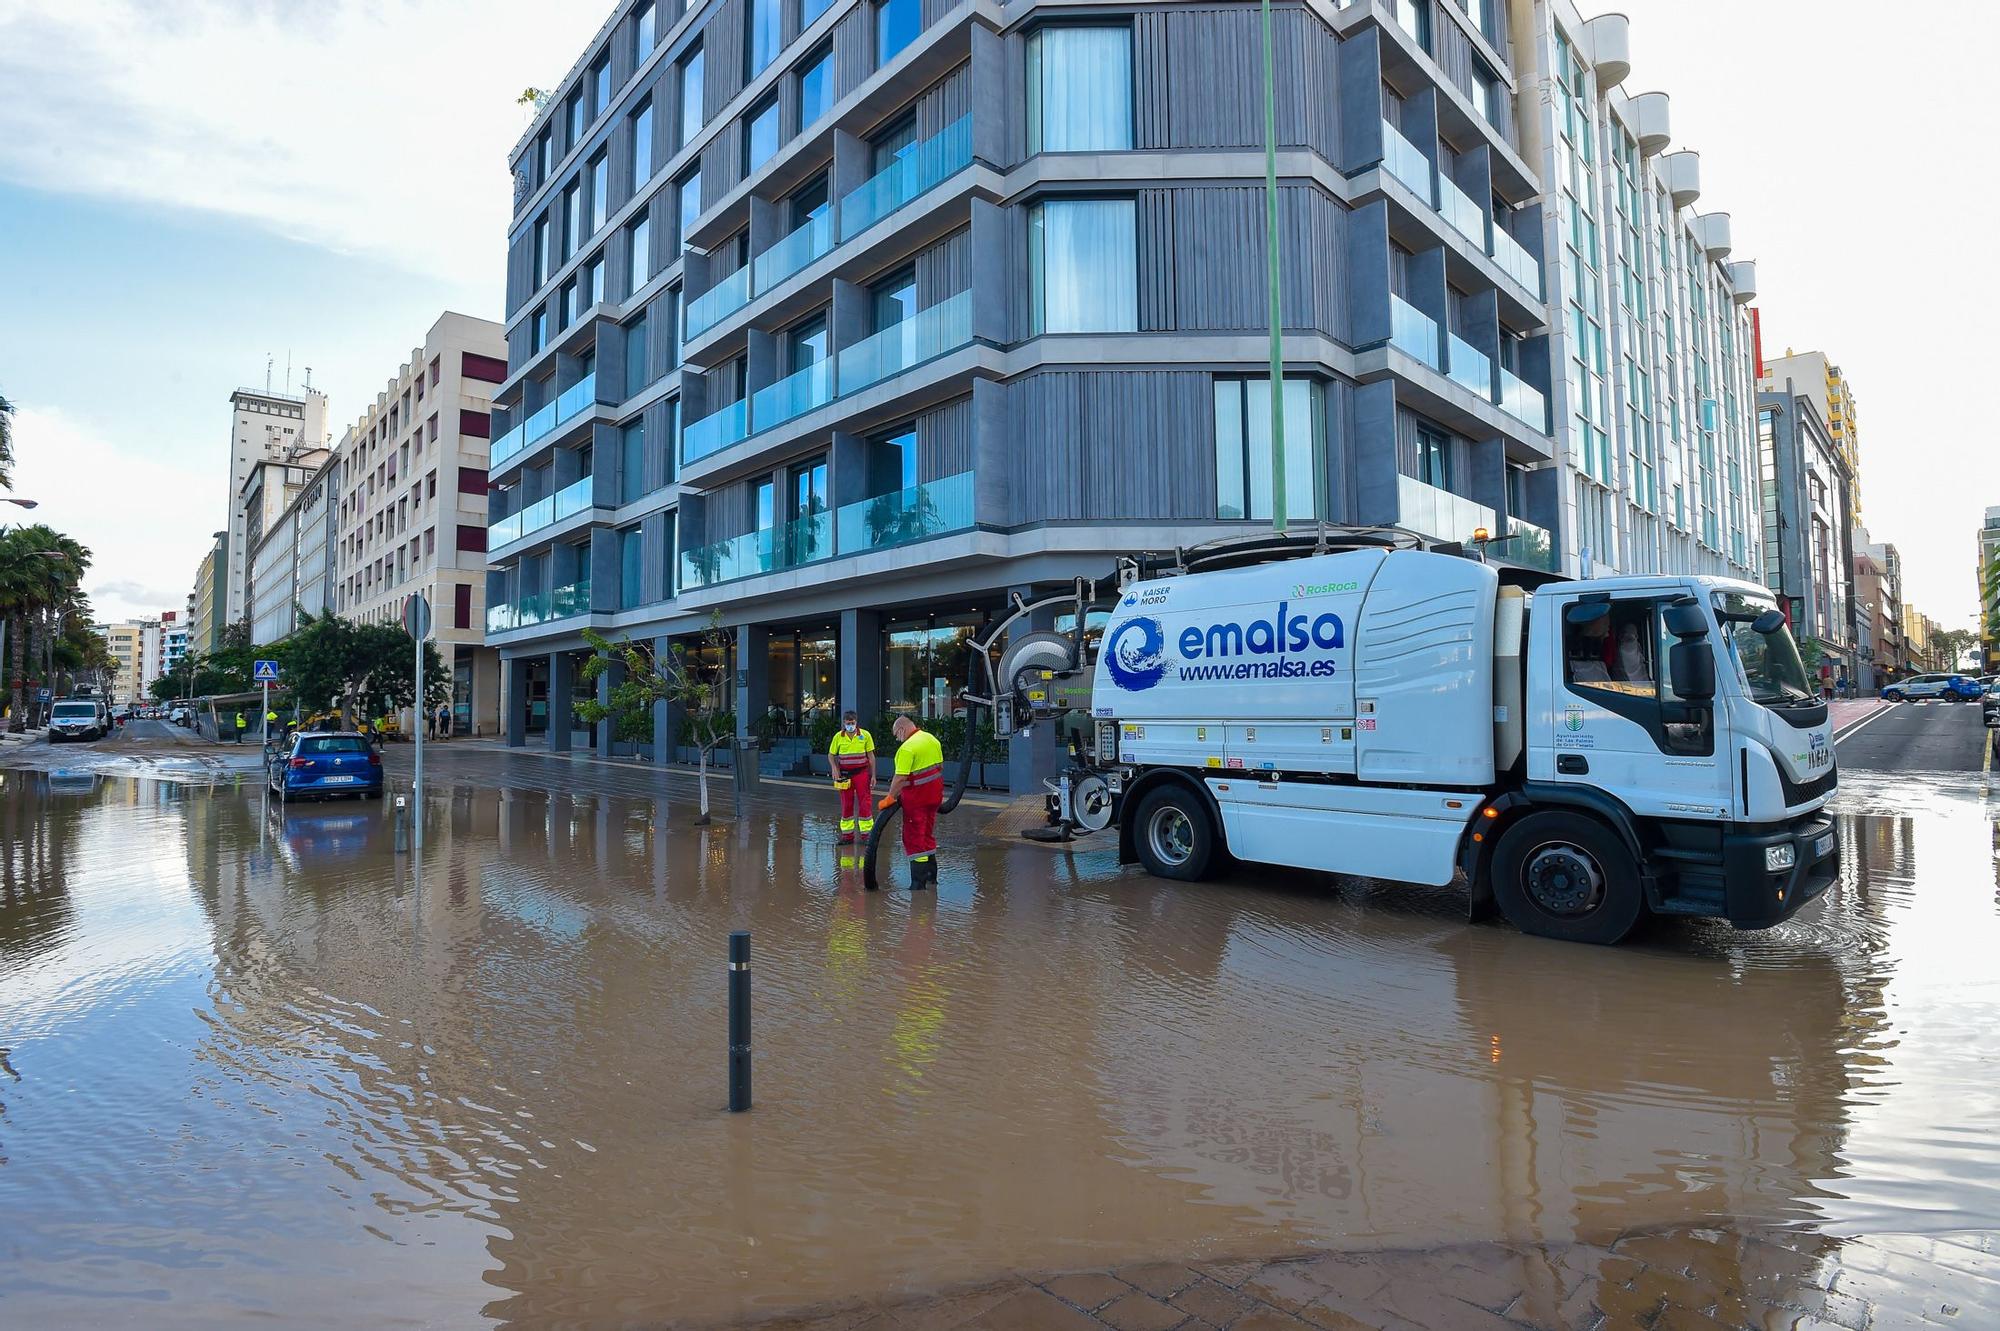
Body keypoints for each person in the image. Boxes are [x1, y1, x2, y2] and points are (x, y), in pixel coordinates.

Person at [882, 715, 945, 890]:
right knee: (927, 835)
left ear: (902, 729)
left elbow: (900, 777)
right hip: (934, 798)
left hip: (916, 801)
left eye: (896, 734)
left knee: (914, 839)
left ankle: (918, 884)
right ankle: (932, 878)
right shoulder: (931, 739)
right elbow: (940, 767)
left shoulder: (907, 748)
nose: (897, 738)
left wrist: (890, 797)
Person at [828, 710, 876, 844]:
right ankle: (847, 837)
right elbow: (831, 755)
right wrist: (834, 768)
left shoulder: (865, 735)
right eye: (848, 723)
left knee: (865, 803)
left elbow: (871, 756)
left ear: (856, 722)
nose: (850, 725)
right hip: (845, 775)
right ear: (844, 723)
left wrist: (873, 775)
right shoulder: (838, 737)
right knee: (846, 804)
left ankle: (867, 836)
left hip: (861, 773)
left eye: (852, 723)